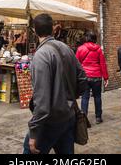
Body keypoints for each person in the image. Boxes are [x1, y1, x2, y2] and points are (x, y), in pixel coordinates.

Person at [23, 14, 87, 154]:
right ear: (53, 29)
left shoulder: (41, 55)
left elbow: (42, 99)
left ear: (34, 31)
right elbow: (82, 78)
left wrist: (34, 132)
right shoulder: (66, 48)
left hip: (50, 121)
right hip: (68, 115)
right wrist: (69, 98)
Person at [76, 31, 109, 124]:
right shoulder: (98, 49)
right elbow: (102, 64)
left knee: (85, 97)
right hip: (97, 76)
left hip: (85, 76)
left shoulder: (81, 49)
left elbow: (77, 64)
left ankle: (84, 118)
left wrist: (76, 76)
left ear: (87, 38)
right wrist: (106, 77)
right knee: (97, 97)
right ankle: (98, 117)